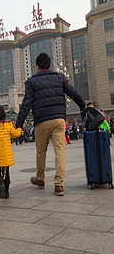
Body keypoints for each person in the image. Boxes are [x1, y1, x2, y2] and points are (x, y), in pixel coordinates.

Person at [16, 52, 85, 196]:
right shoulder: (60, 77)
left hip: (42, 121)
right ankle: (59, 184)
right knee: (60, 152)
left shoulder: (31, 82)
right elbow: (74, 93)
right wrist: (83, 106)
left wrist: (18, 124)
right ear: (50, 65)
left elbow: (26, 104)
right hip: (59, 120)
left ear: (37, 66)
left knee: (41, 152)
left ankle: (40, 179)